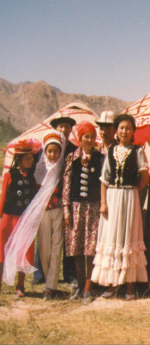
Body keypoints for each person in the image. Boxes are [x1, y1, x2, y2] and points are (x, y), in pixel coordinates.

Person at [91, 114, 149, 300]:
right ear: (116, 131)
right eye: (121, 128)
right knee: (113, 236)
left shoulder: (138, 151)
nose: (124, 131)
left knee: (128, 236)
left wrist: (133, 190)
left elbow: (145, 176)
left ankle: (129, 285)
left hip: (129, 197)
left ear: (133, 131)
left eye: (128, 128)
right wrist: (103, 202)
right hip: (112, 197)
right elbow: (104, 180)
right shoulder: (110, 151)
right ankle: (113, 283)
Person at [32, 113, 79, 286]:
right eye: (61, 126)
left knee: (65, 238)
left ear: (71, 129)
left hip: (65, 198)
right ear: (55, 129)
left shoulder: (74, 149)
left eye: (67, 126)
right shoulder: (44, 148)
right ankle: (40, 274)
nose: (64, 129)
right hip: (46, 200)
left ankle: (69, 274)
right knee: (44, 237)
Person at [63, 121, 103, 302]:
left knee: (91, 247)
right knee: (76, 247)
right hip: (76, 207)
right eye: (86, 136)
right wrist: (66, 208)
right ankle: (79, 285)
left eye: (92, 137)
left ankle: (88, 287)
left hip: (93, 207)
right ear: (80, 138)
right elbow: (66, 184)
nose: (89, 140)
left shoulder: (100, 158)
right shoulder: (71, 158)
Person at [0, 140, 38, 296]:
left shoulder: (33, 177)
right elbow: (3, 195)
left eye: (31, 157)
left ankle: (20, 285)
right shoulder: (10, 175)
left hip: (24, 219)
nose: (30, 160)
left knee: (23, 250)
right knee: (2, 248)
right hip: (9, 217)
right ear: (19, 159)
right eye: (27, 158)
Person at [35, 131, 67, 300]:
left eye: (56, 151)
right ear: (45, 152)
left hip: (58, 209)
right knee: (44, 247)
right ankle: (48, 279)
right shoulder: (40, 170)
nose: (53, 154)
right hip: (44, 211)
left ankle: (50, 286)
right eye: (50, 151)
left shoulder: (63, 168)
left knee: (56, 246)